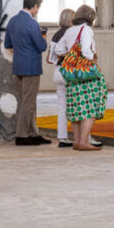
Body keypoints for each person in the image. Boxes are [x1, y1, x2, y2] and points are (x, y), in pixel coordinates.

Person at [3, 0, 50, 146]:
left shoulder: (13, 21)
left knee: (27, 101)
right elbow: (41, 47)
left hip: (18, 65)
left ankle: (33, 133)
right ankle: (22, 135)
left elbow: (7, 44)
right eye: (38, 8)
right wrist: (43, 37)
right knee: (28, 102)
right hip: (31, 67)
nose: (37, 11)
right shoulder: (32, 24)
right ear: (34, 6)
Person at [58, 4, 107, 151]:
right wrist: (93, 58)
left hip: (72, 75)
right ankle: (84, 141)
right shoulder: (86, 29)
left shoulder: (69, 30)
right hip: (86, 75)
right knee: (91, 108)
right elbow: (86, 50)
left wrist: (71, 56)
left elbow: (59, 49)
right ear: (91, 17)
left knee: (76, 108)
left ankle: (77, 141)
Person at [47, 8, 75, 147]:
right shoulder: (71, 34)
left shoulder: (56, 35)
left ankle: (63, 138)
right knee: (77, 105)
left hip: (57, 72)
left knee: (62, 107)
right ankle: (82, 137)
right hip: (69, 72)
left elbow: (49, 59)